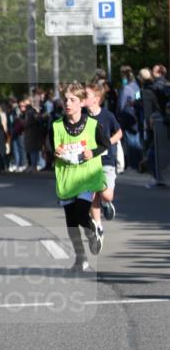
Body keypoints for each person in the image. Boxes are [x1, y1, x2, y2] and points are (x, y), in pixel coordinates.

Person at [50, 82, 108, 272]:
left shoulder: (92, 124)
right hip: (67, 179)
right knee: (71, 222)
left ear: (82, 102)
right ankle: (80, 258)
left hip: (86, 178)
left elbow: (105, 144)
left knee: (81, 213)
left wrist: (93, 151)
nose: (67, 103)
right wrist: (55, 151)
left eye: (72, 100)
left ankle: (93, 232)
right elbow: (51, 148)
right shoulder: (56, 125)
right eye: (65, 99)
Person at [85, 80, 122, 234]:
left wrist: (108, 143)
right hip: (89, 162)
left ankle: (106, 204)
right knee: (92, 194)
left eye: (86, 95)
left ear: (96, 99)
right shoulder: (82, 117)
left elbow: (119, 133)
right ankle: (98, 225)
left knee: (107, 195)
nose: (83, 98)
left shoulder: (108, 115)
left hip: (106, 160)